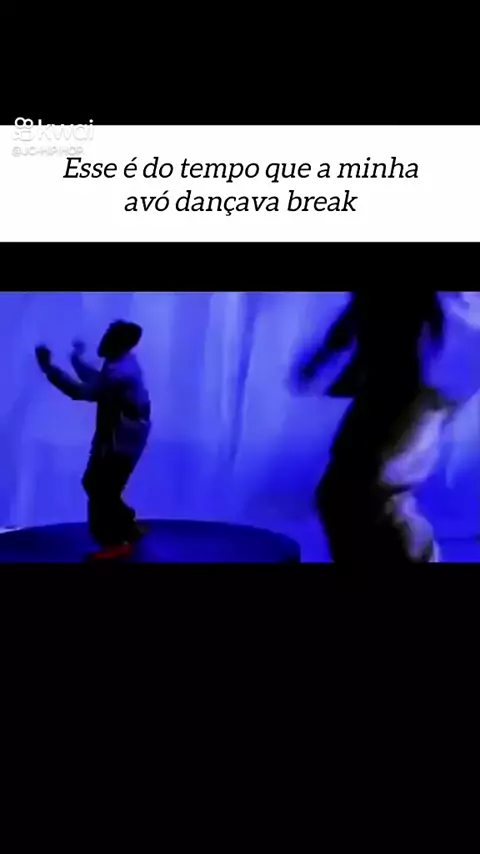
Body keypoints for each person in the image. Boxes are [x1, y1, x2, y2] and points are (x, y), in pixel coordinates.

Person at [292, 291, 459, 564]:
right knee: (343, 497)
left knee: (365, 495)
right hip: (397, 388)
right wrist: (329, 352)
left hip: (411, 391)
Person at [35, 320, 151, 560]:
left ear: (119, 343)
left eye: (110, 335)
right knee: (102, 486)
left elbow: (82, 392)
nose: (104, 338)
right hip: (122, 436)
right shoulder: (120, 362)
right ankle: (127, 526)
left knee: (101, 488)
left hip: (121, 441)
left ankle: (115, 542)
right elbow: (97, 380)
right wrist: (75, 359)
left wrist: (49, 369)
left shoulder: (121, 372)